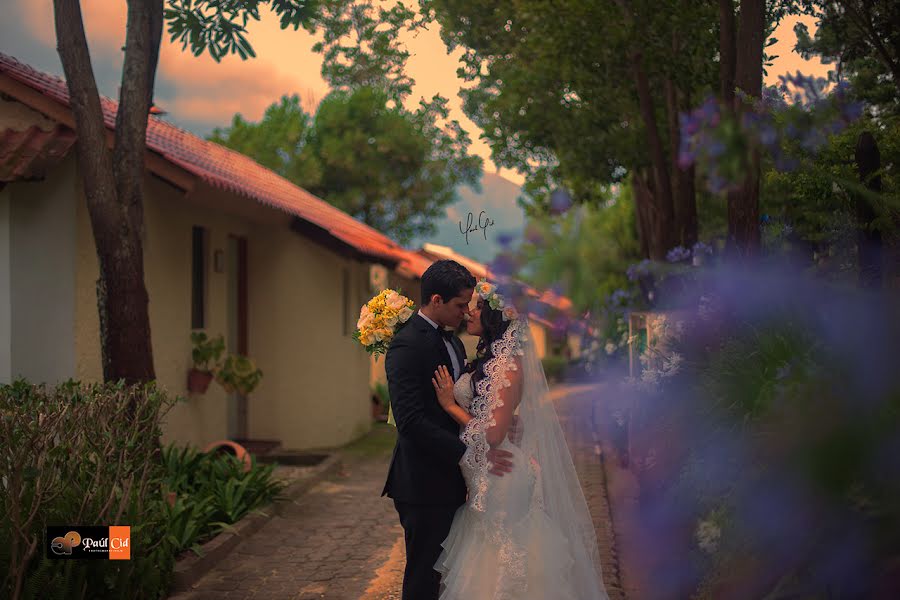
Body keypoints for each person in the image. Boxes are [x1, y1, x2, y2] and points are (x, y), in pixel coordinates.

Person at [430, 279, 609, 599]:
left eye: (480, 307)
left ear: (497, 318)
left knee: (505, 563)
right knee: (488, 561)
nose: (471, 312)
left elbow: (495, 435)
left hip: (502, 477)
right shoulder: (487, 362)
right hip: (484, 475)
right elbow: (497, 417)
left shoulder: (509, 366)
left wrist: (449, 406)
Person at [382, 260, 515, 600]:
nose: (466, 311)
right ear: (436, 300)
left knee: (454, 576)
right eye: (460, 305)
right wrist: (473, 453)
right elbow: (411, 422)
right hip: (424, 483)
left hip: (458, 481)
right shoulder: (406, 345)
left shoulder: (455, 343)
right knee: (425, 577)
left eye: (470, 304)